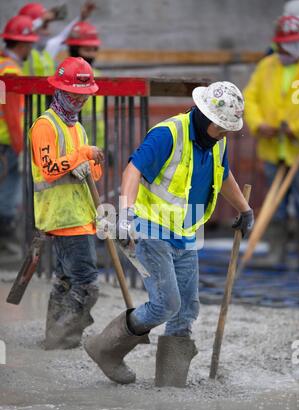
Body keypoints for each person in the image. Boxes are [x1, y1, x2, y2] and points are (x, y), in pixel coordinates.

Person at [85, 81, 254, 388]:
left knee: (187, 308)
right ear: (205, 116)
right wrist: (125, 216)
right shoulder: (169, 134)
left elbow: (223, 173)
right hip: (150, 228)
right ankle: (106, 349)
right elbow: (132, 170)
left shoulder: (218, 141)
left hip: (185, 231)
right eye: (221, 128)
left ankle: (170, 382)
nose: (226, 134)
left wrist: (244, 210)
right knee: (166, 304)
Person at [29, 57, 104, 350]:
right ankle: (62, 335)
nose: (80, 100)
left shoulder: (76, 127)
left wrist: (92, 164)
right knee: (87, 285)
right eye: (75, 94)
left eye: (84, 95)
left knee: (65, 279)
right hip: (62, 216)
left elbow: (88, 172)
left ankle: (58, 337)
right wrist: (82, 155)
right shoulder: (45, 126)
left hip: (78, 213)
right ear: (59, 90)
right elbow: (49, 168)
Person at [244, 15, 299, 266]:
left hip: (297, 148)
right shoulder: (267, 66)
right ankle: (276, 253)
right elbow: (250, 98)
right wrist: (258, 124)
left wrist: (296, 129)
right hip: (272, 148)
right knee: (274, 204)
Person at [0, 15, 38, 254]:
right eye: (30, 44)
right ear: (22, 45)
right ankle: (6, 243)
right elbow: (13, 115)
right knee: (8, 191)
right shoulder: (11, 72)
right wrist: (20, 147)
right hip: (6, 142)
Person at [65, 20, 104, 148]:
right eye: (87, 49)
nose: (92, 54)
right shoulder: (65, 74)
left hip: (95, 140)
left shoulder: (98, 74)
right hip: (71, 140)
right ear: (75, 50)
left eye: (94, 49)